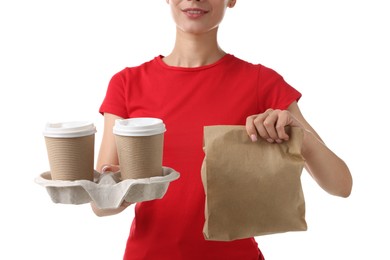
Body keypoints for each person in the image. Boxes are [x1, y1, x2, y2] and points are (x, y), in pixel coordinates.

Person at [91, 0, 353, 259]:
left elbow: (341, 184)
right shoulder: (126, 84)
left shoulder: (261, 82)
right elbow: (100, 205)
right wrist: (121, 190)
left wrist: (300, 137)